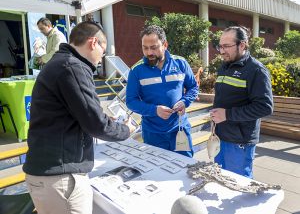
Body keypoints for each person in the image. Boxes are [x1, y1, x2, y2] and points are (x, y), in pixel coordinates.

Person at [23, 21, 135, 214]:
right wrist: (126, 130)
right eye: (103, 50)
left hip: (50, 172)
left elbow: (75, 113)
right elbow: (96, 125)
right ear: (93, 43)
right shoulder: (72, 67)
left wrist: (99, 116)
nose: (102, 58)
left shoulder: (61, 63)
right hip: (60, 176)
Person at [126, 25, 199, 157]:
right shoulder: (136, 70)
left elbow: (193, 87)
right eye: (145, 48)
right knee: (157, 171)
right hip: (153, 133)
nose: (149, 53)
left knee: (186, 168)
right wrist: (155, 110)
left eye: (154, 47)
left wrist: (185, 101)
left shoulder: (181, 63)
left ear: (164, 45)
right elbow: (131, 102)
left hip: (180, 129)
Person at [210, 26, 273, 178]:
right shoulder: (224, 67)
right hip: (220, 137)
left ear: (242, 45)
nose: (222, 51)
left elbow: (265, 107)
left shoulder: (256, 70)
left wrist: (227, 114)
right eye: (220, 46)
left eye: (227, 46)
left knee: (239, 187)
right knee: (221, 181)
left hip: (239, 142)